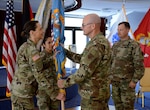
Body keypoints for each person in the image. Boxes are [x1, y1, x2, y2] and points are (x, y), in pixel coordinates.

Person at [57, 13, 111, 110]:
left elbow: (83, 72)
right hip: (98, 92)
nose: (82, 28)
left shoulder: (96, 45)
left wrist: (64, 83)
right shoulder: (99, 42)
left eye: (83, 25)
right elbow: (83, 59)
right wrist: (65, 52)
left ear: (93, 26)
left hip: (93, 96)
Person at [11, 20, 65, 110]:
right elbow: (39, 74)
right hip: (23, 94)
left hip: (21, 92)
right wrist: (55, 94)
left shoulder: (26, 46)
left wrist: (51, 59)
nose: (42, 31)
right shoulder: (32, 50)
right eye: (40, 29)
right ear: (32, 32)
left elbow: (36, 66)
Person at [110, 21, 145, 110]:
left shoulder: (134, 45)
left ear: (127, 30)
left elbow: (139, 66)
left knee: (127, 107)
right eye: (118, 30)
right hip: (115, 83)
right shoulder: (115, 45)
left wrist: (134, 81)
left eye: (121, 30)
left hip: (127, 84)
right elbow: (111, 63)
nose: (118, 32)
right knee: (118, 106)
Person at [36, 36, 59, 110]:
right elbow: (39, 67)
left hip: (54, 89)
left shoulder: (56, 54)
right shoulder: (40, 56)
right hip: (44, 91)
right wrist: (52, 58)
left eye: (52, 42)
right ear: (43, 45)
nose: (51, 44)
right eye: (49, 43)